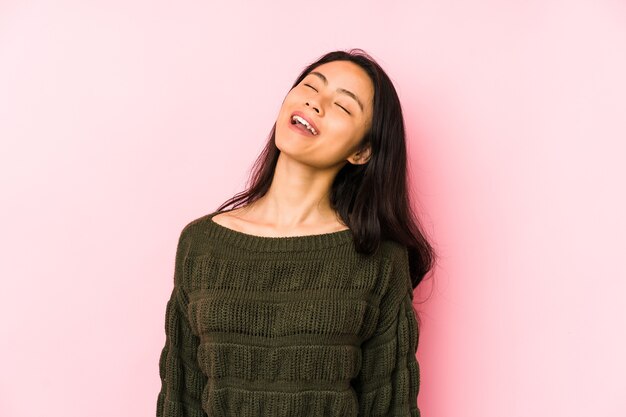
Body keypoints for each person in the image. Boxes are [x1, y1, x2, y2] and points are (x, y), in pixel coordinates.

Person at [156, 48, 436, 417]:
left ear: (363, 151)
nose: (315, 103)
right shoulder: (202, 245)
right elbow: (181, 399)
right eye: (310, 86)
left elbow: (392, 408)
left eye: (343, 106)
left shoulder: (380, 261)